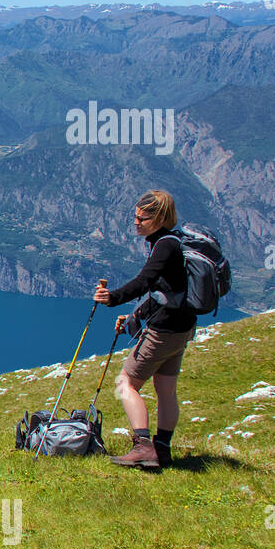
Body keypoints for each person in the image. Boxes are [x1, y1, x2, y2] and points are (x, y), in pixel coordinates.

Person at [93, 189, 197, 469]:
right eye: (135, 217)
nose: (135, 223)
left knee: (125, 383)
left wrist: (112, 297)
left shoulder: (164, 245)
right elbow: (165, 292)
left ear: (159, 218)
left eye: (141, 218)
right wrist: (133, 318)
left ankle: (143, 447)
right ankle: (162, 449)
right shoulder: (176, 242)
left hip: (164, 331)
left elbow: (144, 281)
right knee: (165, 388)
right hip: (182, 328)